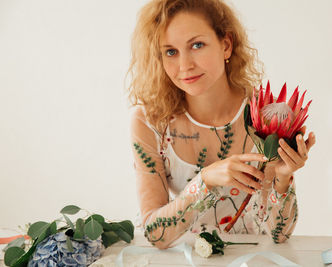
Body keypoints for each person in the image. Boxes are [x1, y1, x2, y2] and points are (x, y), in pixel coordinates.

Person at [127, 0, 316, 249]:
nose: (185, 66)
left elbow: (279, 236)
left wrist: (283, 177)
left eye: (197, 45)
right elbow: (155, 233)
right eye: (170, 51)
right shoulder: (150, 122)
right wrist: (204, 182)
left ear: (226, 45)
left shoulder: (262, 115)